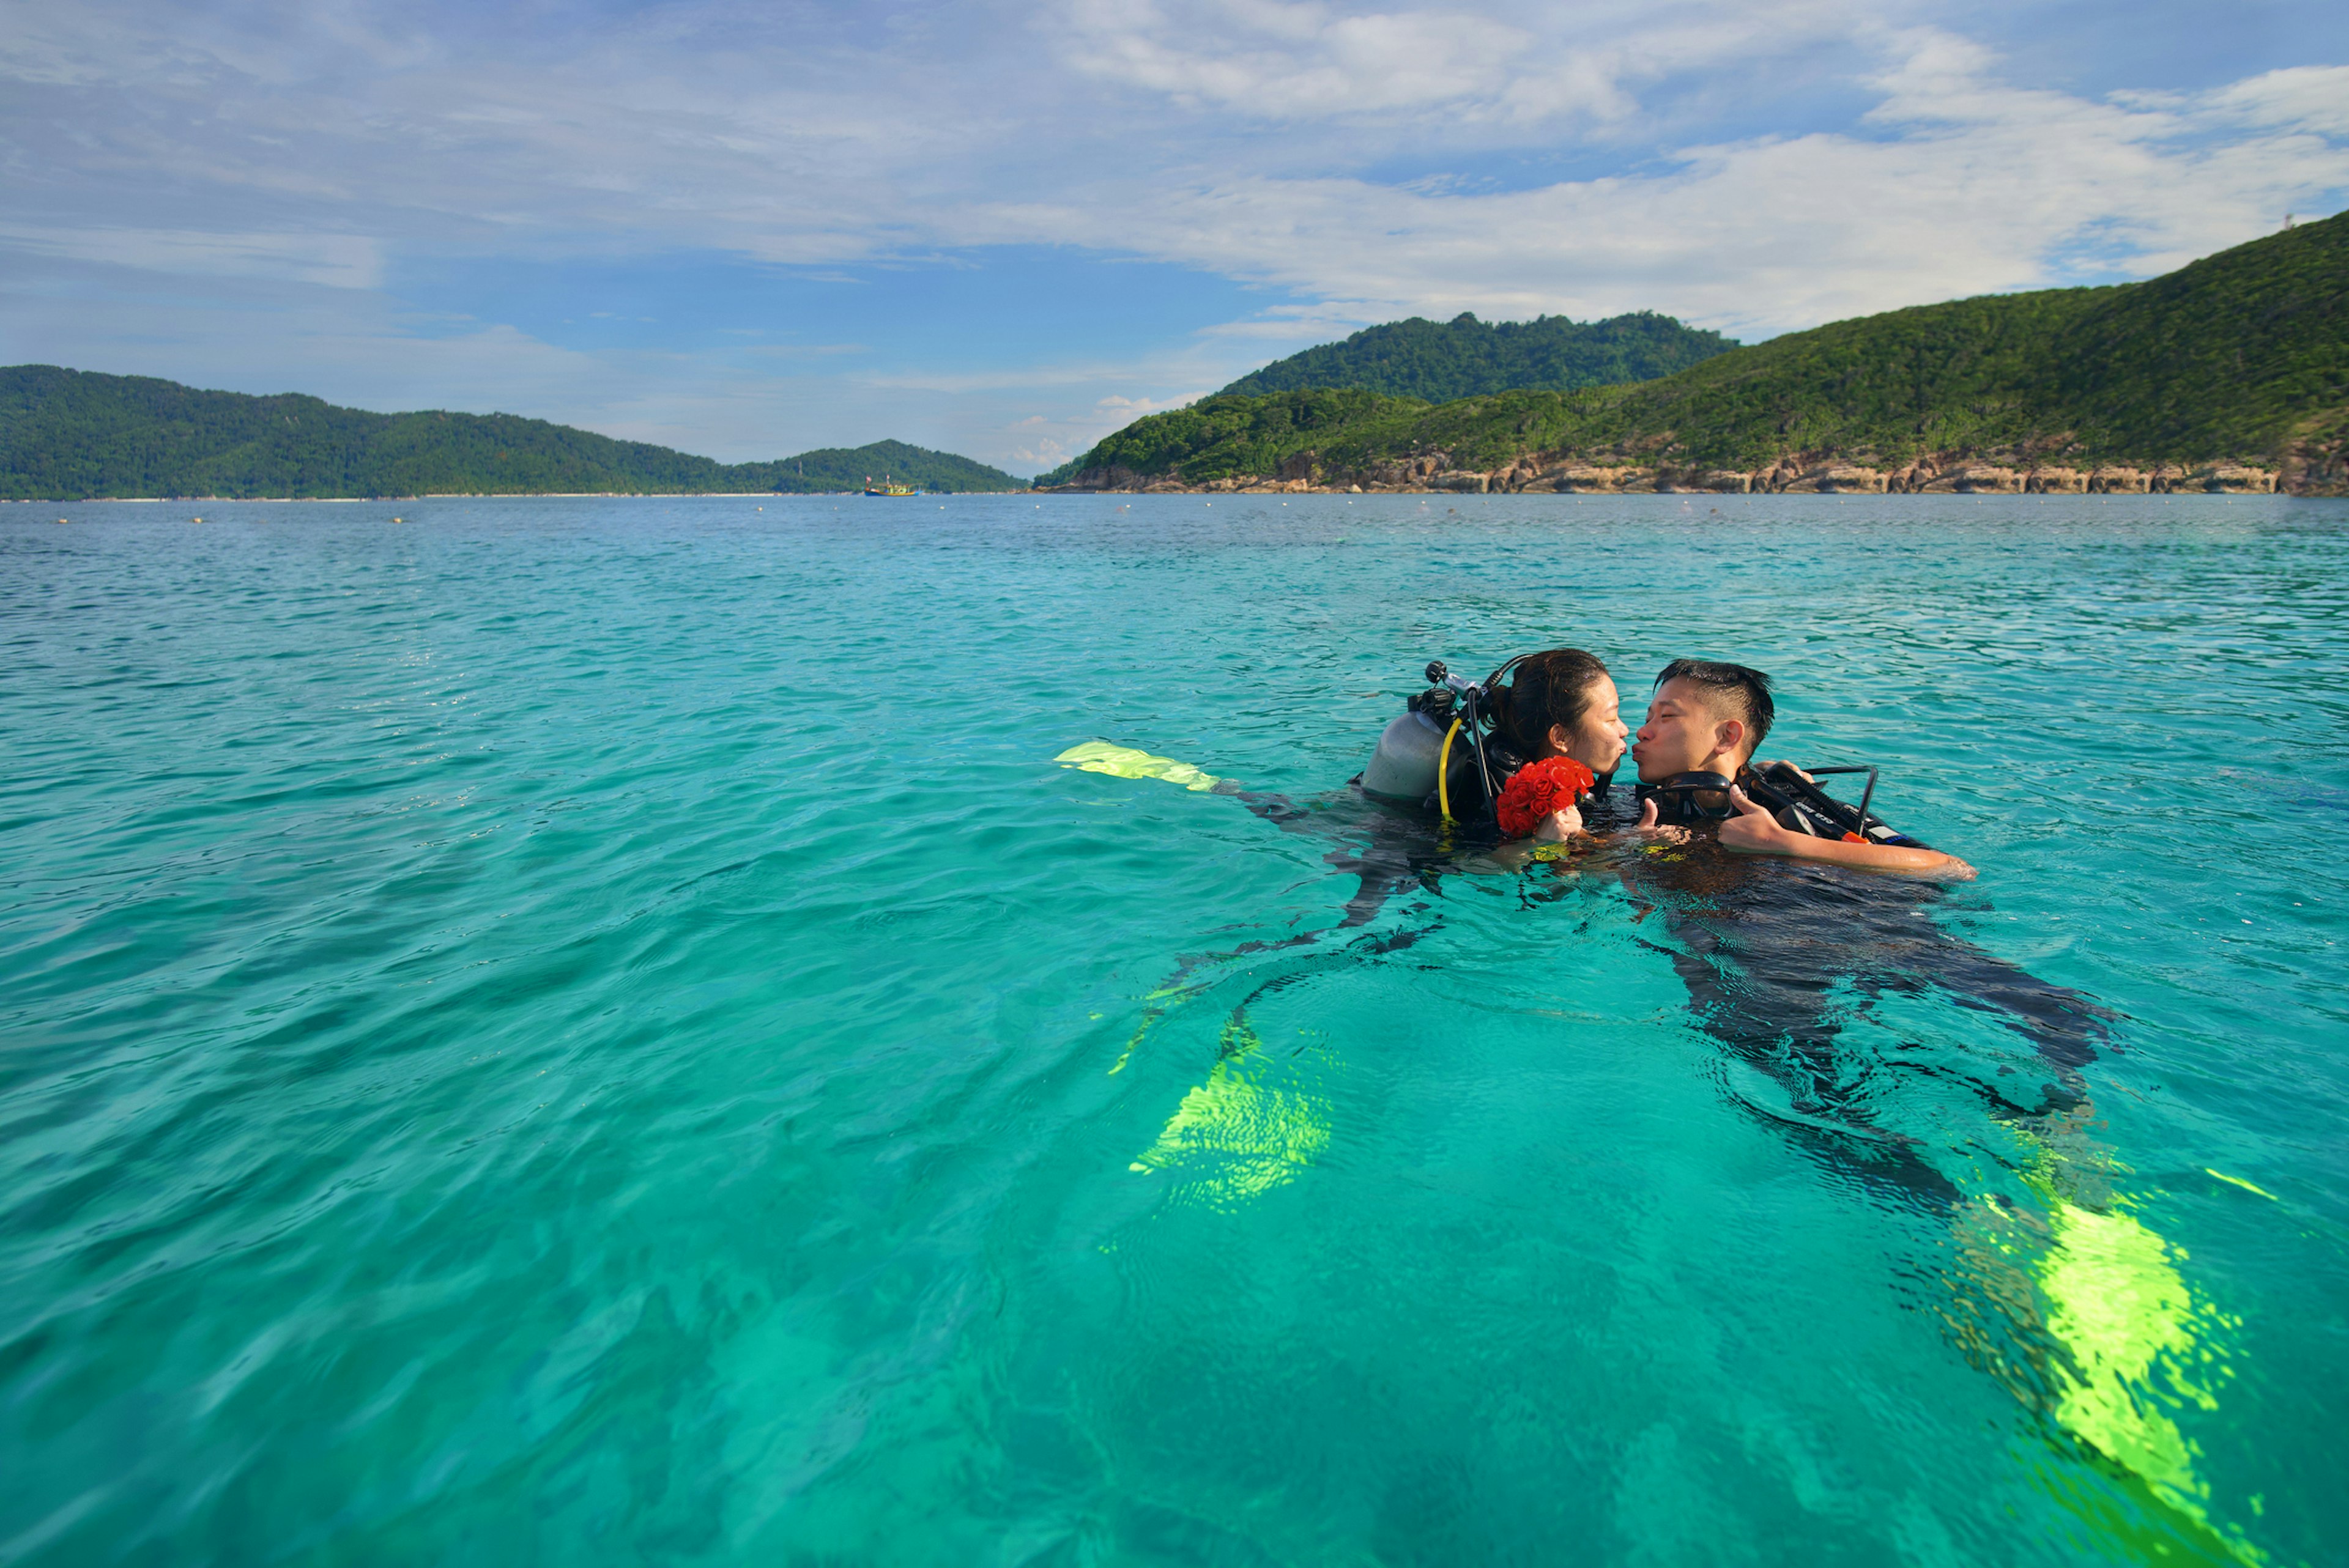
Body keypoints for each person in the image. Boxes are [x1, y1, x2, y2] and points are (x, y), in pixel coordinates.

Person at [1529, 658, 1972, 878]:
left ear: (1727, 736)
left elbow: (1951, 866)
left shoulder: (1786, 800)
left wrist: (1786, 844)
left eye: (1666, 718)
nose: (1641, 733)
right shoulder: (1636, 807)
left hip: (1860, 931)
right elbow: (1558, 875)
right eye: (1647, 718)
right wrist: (1617, 847)